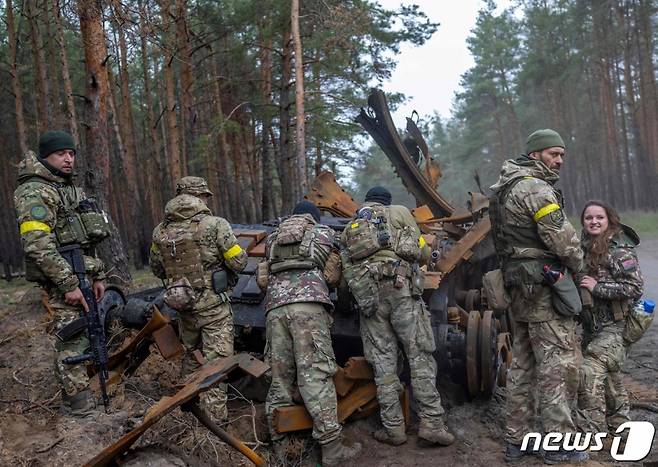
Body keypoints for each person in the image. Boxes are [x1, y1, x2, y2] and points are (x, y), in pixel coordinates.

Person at [489, 129, 588, 464]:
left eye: (561, 155)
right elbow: (563, 240)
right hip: (543, 290)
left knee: (523, 366)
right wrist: (579, 265)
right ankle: (559, 443)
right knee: (558, 366)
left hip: (519, 289)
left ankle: (517, 441)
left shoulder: (504, 187)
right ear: (535, 155)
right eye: (553, 154)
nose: (559, 161)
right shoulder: (534, 187)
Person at [340, 186, 454, 447]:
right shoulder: (400, 213)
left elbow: (345, 274)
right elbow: (421, 250)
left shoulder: (351, 228)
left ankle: (394, 430)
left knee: (383, 366)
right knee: (420, 356)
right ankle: (432, 424)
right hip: (402, 291)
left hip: (369, 298)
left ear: (366, 203)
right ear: (387, 202)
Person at [14, 131, 110, 414]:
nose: (68, 159)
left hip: (85, 276)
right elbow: (37, 245)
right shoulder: (33, 191)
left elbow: (87, 239)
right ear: (45, 156)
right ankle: (80, 407)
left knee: (89, 334)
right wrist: (69, 284)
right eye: (61, 154)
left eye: (71, 153)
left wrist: (99, 275)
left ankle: (86, 398)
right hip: (63, 281)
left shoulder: (68, 189)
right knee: (72, 338)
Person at [258, 200, 360, 466]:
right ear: (315, 218)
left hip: (275, 310)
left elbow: (263, 278)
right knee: (315, 376)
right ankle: (332, 450)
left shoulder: (273, 238)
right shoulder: (325, 234)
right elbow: (335, 276)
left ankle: (280, 448)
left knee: (279, 378)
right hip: (308, 309)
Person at [149, 176, 247, 421]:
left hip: (183, 306)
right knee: (216, 366)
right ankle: (215, 426)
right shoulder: (215, 225)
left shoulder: (161, 230)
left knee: (192, 358)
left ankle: (187, 414)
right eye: (205, 195)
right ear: (199, 196)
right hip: (214, 308)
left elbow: (157, 269)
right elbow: (238, 261)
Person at [577, 200, 644, 434]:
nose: (594, 221)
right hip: (592, 327)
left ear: (609, 220)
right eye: (588, 218)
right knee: (611, 378)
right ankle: (621, 426)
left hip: (616, 327)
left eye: (599, 217)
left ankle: (591, 432)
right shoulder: (583, 247)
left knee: (590, 371)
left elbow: (635, 288)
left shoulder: (619, 249)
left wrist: (598, 287)